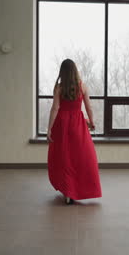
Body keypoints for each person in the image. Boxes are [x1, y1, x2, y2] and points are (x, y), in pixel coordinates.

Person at [47, 59, 102, 205]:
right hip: (77, 123)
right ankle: (77, 189)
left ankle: (67, 191)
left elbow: (55, 109)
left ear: (62, 72)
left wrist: (49, 129)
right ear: (75, 71)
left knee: (64, 157)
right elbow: (88, 107)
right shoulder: (82, 86)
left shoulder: (58, 88)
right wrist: (91, 121)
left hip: (61, 124)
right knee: (81, 156)